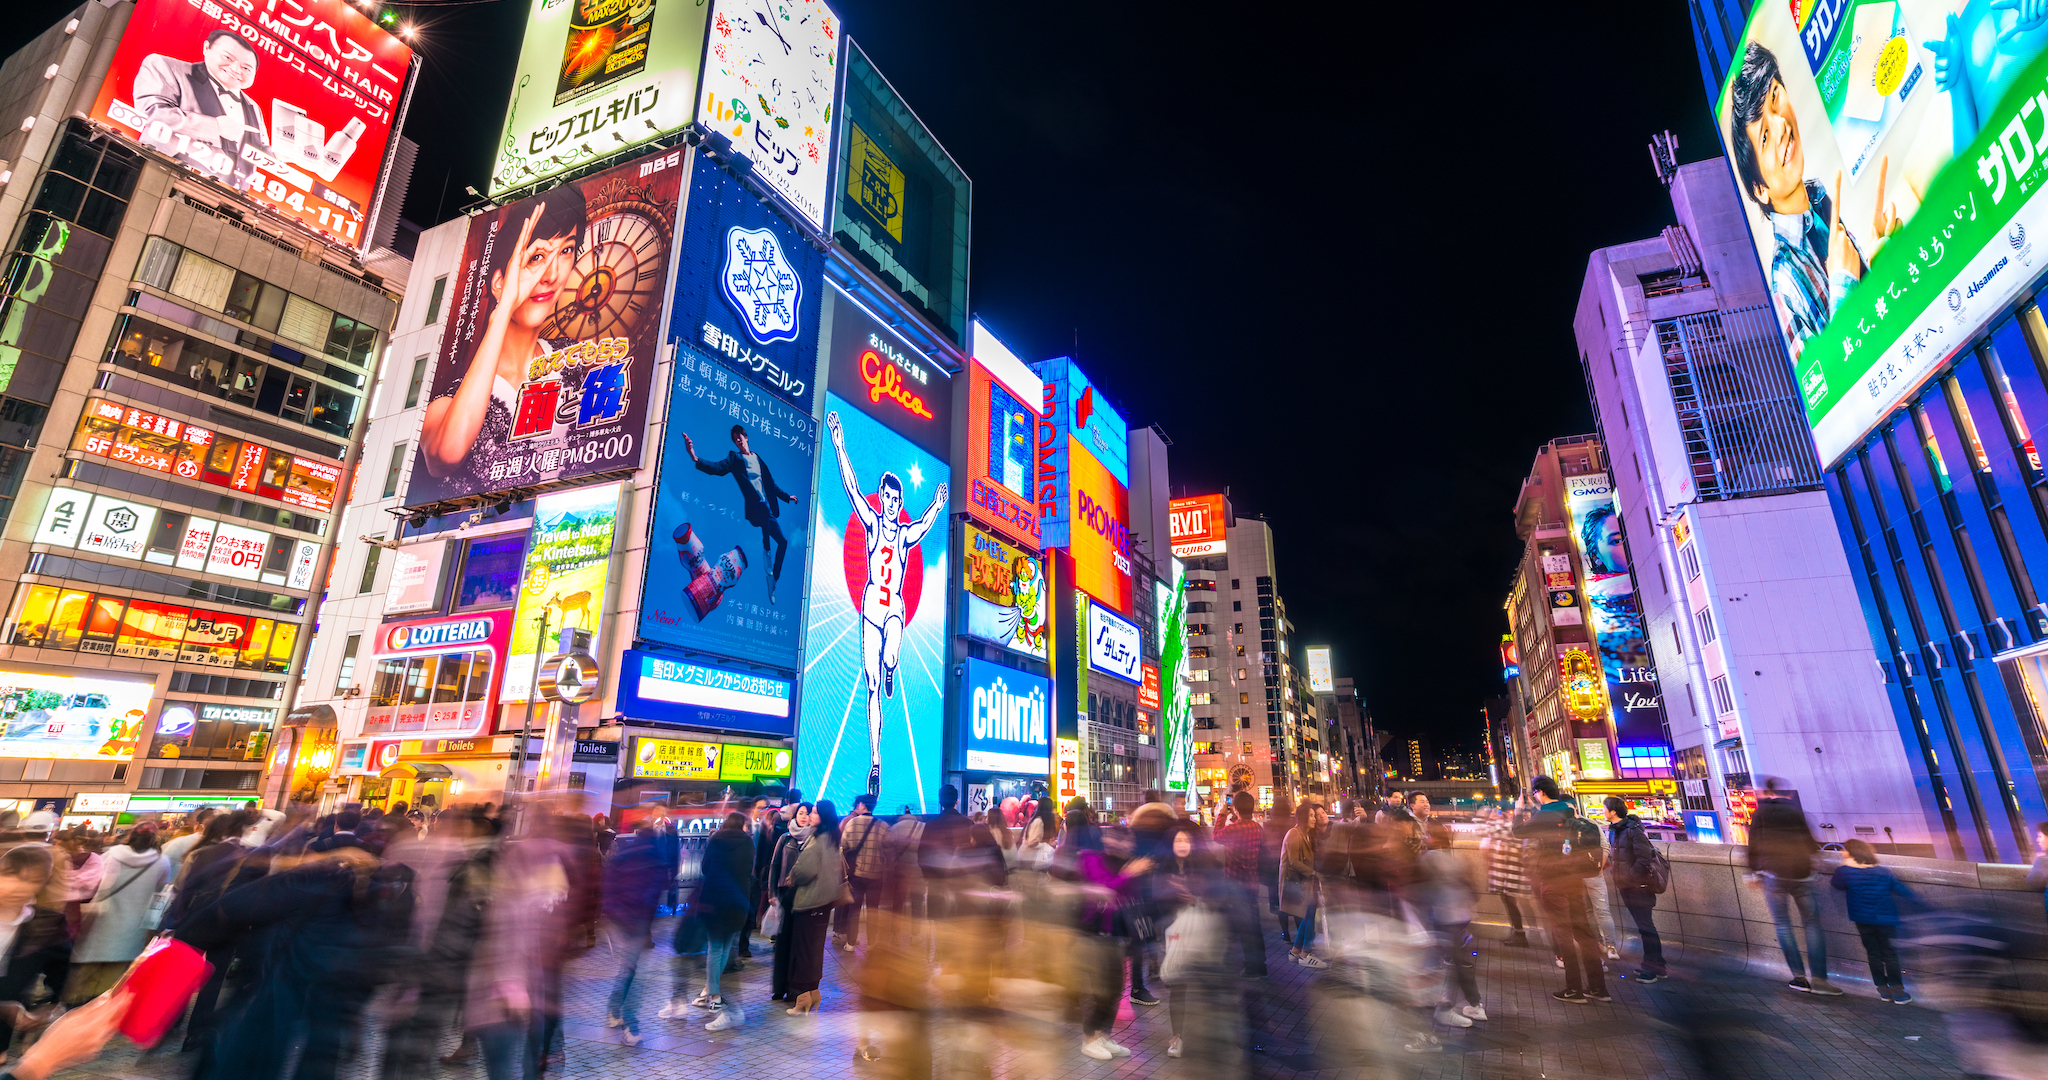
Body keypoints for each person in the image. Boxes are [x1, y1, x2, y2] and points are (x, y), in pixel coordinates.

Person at [419, 186, 588, 494]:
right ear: (498, 282)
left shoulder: (576, 361)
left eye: (566, 251)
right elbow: (445, 455)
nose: (551, 275)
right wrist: (503, 308)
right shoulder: (449, 403)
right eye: (536, 256)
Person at [1727, 41, 1883, 359]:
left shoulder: (1819, 197)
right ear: (1760, 190)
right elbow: (1824, 383)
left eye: (1775, 99)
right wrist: (1844, 280)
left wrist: (1875, 260)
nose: (1782, 126)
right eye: (1765, 137)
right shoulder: (1782, 281)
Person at [825, 408, 947, 796]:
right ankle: (875, 763)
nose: (892, 504)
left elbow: (925, 525)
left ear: (900, 501)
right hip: (869, 608)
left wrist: (938, 505)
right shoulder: (873, 522)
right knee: (872, 686)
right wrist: (840, 444)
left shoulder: (906, 532)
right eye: (889, 498)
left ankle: (893, 665)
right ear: (885, 500)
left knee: (891, 651)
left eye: (897, 499)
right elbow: (851, 488)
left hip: (893, 605)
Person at [130, 29, 272, 189]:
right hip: (165, 175)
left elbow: (260, 149)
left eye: (246, 68)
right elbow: (151, 112)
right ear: (206, 48)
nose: (236, 69)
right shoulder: (166, 66)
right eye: (227, 57)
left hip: (230, 198)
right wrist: (216, 127)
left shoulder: (254, 106)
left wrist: (278, 160)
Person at [1512, 776, 1609, 1003]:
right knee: (1585, 933)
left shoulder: (1544, 815)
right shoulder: (1569, 807)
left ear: (1539, 793)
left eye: (1535, 794)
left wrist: (1518, 810)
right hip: (1575, 879)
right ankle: (1598, 988)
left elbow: (1518, 832)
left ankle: (1573, 989)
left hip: (1554, 880)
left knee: (1563, 934)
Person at [682, 423, 800, 603]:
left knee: (783, 542)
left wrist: (787, 497)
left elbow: (771, 484)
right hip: (755, 508)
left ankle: (773, 579)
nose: (738, 440)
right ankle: (766, 553)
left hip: (766, 510)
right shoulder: (735, 459)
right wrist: (694, 457)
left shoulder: (757, 459)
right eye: (735, 438)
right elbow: (717, 468)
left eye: (740, 436)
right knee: (762, 505)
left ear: (746, 438)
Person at [1747, 778, 1841, 995]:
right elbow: (1810, 843)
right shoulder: (1795, 811)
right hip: (1802, 874)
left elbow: (1753, 845)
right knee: (1812, 924)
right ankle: (1820, 980)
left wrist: (1753, 871)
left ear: (1766, 792)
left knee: (1782, 924)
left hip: (1774, 874)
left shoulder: (1760, 813)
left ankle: (1799, 978)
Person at [668, 810, 754, 1029]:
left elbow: (705, 868)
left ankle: (714, 1001)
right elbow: (748, 871)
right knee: (725, 949)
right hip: (738, 900)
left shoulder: (715, 841)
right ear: (742, 824)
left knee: (714, 950)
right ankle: (715, 999)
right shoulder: (748, 843)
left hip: (715, 900)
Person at [64, 825, 167, 1004]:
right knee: (109, 986)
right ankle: (96, 1019)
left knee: (82, 980)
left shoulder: (111, 854)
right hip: (132, 930)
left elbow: (96, 884)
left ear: (130, 836)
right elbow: (159, 895)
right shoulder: (161, 861)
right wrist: (151, 927)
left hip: (100, 922)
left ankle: (71, 1015)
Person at [601, 824, 669, 1044]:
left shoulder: (626, 854)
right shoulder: (657, 861)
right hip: (638, 923)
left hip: (623, 921)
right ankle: (630, 1025)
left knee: (629, 969)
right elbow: (654, 895)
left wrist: (616, 914)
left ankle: (615, 1012)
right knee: (634, 973)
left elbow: (610, 887)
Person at [1417, 823, 1485, 1034]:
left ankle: (1442, 1007)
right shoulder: (1454, 858)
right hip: (1460, 916)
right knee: (1460, 962)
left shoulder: (1428, 858)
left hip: (1441, 917)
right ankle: (1474, 1005)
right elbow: (1470, 886)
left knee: (1440, 963)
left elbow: (1419, 887)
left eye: (1428, 835)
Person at [1833, 838, 1918, 1004]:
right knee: (1890, 955)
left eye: (1845, 850)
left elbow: (1837, 884)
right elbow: (1902, 890)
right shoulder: (1883, 872)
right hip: (1886, 920)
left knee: (1873, 955)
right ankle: (1899, 993)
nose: (1842, 852)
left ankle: (1884, 992)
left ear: (1851, 853)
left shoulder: (1844, 871)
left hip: (1863, 920)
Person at [785, 800, 844, 1015]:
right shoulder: (833, 839)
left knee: (803, 951)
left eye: (815, 812)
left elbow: (803, 872)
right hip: (825, 903)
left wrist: (792, 876)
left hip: (810, 903)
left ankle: (802, 1000)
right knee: (815, 950)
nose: (810, 814)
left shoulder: (817, 842)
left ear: (823, 817)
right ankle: (813, 993)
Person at [1602, 796, 1666, 983]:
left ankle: (1652, 970)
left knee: (1646, 927)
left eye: (1605, 808)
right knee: (1644, 926)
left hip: (1638, 886)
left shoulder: (1633, 830)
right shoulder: (1615, 831)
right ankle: (1658, 966)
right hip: (1626, 885)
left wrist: (1630, 876)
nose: (1603, 811)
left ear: (1613, 811)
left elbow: (1644, 859)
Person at [1213, 791, 1268, 977]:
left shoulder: (1234, 828)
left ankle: (1251, 967)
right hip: (1252, 883)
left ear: (1235, 809)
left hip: (1236, 884)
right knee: (1254, 924)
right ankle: (1260, 964)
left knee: (1244, 927)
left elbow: (1216, 836)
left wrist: (1221, 815)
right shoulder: (1257, 828)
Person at [767, 803, 814, 1001]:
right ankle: (780, 987)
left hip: (806, 896)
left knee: (799, 944)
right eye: (801, 813)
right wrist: (772, 892)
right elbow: (774, 865)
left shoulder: (815, 839)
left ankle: (794, 988)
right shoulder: (785, 838)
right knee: (783, 943)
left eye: (807, 814)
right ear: (795, 816)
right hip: (786, 895)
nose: (804, 817)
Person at [834, 794, 887, 953]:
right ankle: (871, 943)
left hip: (856, 875)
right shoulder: (883, 826)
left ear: (863, 805)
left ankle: (850, 943)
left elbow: (842, 847)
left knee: (854, 910)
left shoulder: (851, 824)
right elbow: (890, 849)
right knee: (873, 910)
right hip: (876, 876)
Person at [1280, 800, 1327, 968]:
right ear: (1302, 818)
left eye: (1315, 815)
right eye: (1311, 816)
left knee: (1309, 916)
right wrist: (1314, 873)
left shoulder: (1306, 834)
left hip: (1304, 883)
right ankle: (1305, 954)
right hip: (1297, 883)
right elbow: (1293, 861)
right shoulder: (1294, 833)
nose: (1315, 819)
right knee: (1309, 917)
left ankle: (1296, 951)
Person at [1480, 804, 1533, 947]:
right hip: (1510, 874)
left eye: (1510, 813)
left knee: (1512, 903)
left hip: (1513, 874)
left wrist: (1490, 818)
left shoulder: (1515, 828)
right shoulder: (1519, 826)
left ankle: (1520, 934)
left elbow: (1491, 832)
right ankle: (1518, 932)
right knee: (1510, 903)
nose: (1508, 816)